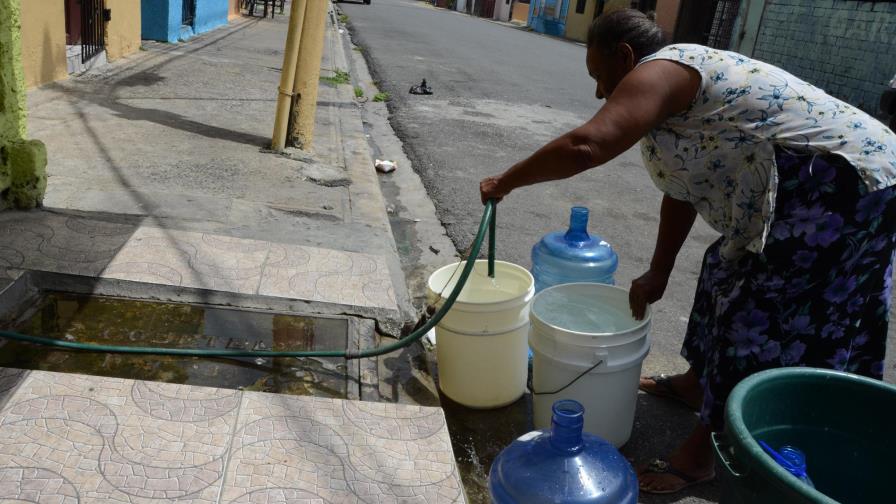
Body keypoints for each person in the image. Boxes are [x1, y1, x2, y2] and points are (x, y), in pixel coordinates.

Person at [479, 9, 896, 495]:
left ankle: (702, 455)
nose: (598, 92)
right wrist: (658, 270)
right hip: (803, 187)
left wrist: (505, 182)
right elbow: (682, 187)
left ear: (626, 56)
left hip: (847, 184)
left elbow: (586, 147)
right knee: (723, 266)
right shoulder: (677, 95)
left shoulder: (659, 71)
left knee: (761, 317)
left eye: (599, 76)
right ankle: (698, 384)